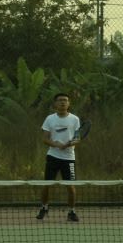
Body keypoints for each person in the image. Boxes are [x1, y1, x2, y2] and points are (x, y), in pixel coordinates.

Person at [37, 93, 81, 222]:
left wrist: (68, 144)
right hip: (53, 157)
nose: (63, 102)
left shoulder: (75, 119)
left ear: (69, 103)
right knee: (47, 184)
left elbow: (77, 138)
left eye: (65, 100)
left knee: (71, 186)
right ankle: (44, 208)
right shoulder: (50, 119)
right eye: (60, 100)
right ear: (55, 103)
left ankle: (72, 212)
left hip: (69, 159)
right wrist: (56, 144)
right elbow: (45, 139)